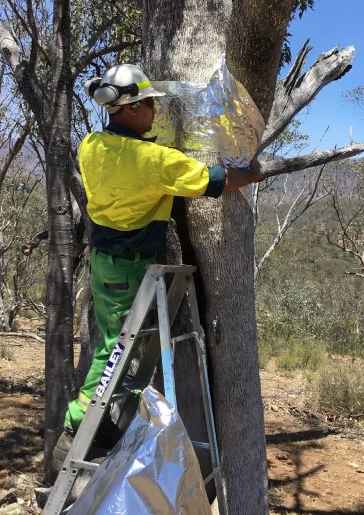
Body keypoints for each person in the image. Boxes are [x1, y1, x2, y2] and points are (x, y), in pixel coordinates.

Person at [54, 63, 262, 463]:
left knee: (115, 340)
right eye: (150, 104)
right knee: (116, 347)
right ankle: (80, 423)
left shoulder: (90, 147)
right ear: (130, 108)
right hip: (131, 267)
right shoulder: (154, 161)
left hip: (103, 263)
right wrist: (251, 172)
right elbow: (214, 181)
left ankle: (106, 416)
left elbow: (134, 161)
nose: (155, 111)